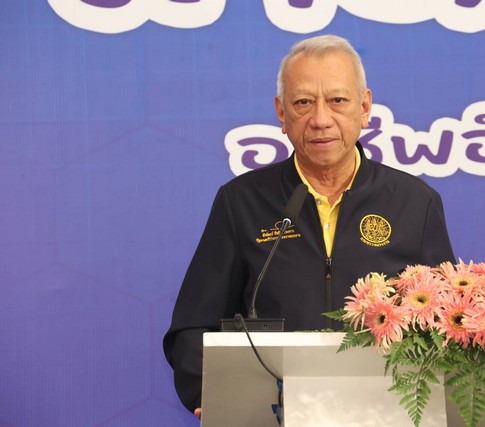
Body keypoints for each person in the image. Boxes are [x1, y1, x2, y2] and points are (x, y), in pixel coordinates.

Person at [163, 34, 455, 417]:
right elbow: (192, 326)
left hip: (387, 413)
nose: (320, 120)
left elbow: (450, 324)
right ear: (281, 113)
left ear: (365, 107)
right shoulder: (241, 202)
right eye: (303, 103)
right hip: (272, 416)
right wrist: (208, 395)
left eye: (337, 100)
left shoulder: (415, 203)